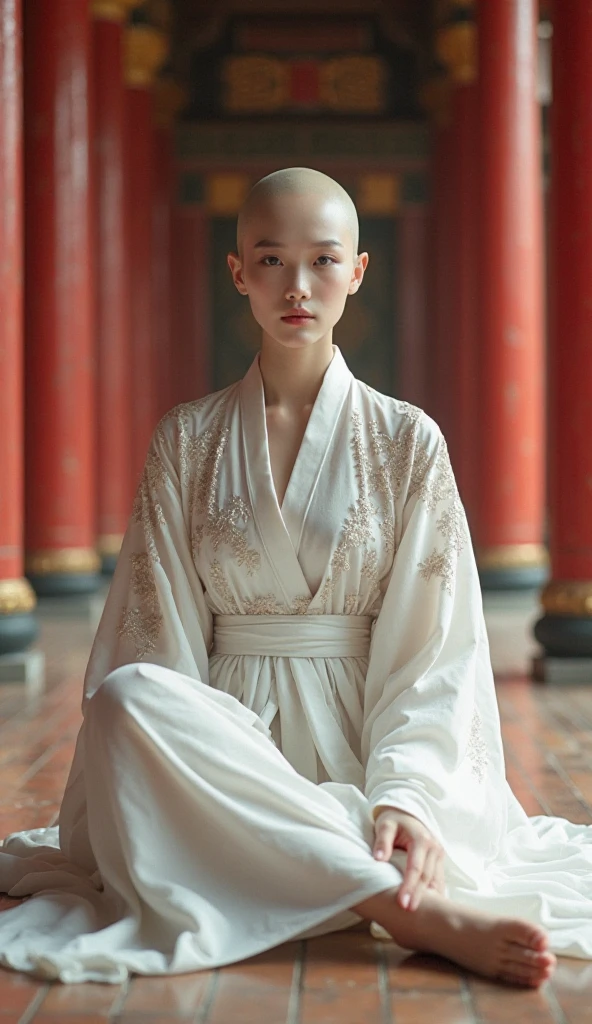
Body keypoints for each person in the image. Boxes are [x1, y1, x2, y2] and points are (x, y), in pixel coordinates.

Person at [0, 166, 590, 989]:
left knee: (397, 779)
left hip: (363, 737)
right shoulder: (187, 438)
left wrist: (408, 793)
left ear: (358, 271)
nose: (298, 286)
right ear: (238, 271)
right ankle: (401, 909)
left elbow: (435, 650)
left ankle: (357, 852)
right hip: (226, 739)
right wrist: (190, 757)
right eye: (272, 261)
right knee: (125, 698)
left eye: (323, 260)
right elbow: (153, 638)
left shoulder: (406, 441)